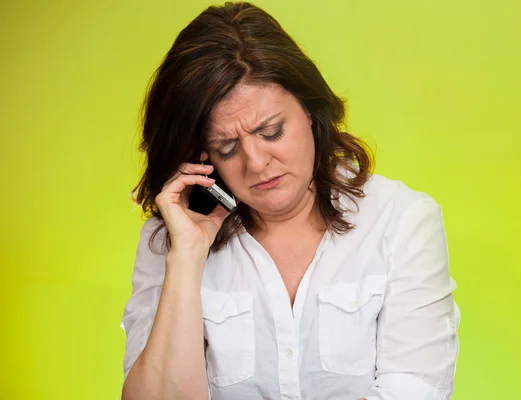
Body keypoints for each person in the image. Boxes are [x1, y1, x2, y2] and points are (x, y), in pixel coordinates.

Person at [120, 2, 460, 400]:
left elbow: (415, 387)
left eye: (271, 131)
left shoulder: (401, 220)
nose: (257, 162)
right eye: (227, 147)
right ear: (202, 157)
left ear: (312, 112)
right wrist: (187, 259)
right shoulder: (172, 241)